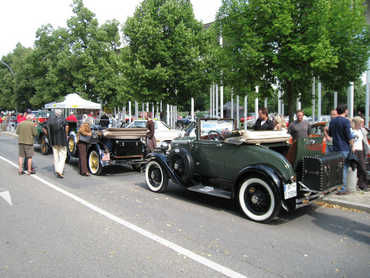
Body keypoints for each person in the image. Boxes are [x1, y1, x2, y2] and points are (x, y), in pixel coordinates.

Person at [328, 104, 354, 194]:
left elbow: (330, 134)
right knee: (344, 168)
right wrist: (352, 146)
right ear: (345, 111)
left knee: (336, 169)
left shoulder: (333, 121)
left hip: (335, 147)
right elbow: (349, 135)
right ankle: (342, 189)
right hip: (344, 148)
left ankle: (335, 187)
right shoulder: (346, 121)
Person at [45, 109, 69, 178]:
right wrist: (66, 136)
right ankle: (60, 170)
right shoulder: (63, 119)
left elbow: (46, 128)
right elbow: (67, 128)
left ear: (55, 114)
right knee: (63, 155)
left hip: (53, 141)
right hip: (62, 140)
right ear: (60, 113)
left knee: (56, 156)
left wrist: (49, 138)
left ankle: (57, 169)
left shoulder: (51, 120)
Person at [352, 117, 369, 191]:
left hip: (361, 150)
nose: (362, 124)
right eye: (361, 123)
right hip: (354, 150)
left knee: (362, 168)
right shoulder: (351, 130)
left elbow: (364, 140)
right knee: (353, 168)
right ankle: (354, 184)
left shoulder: (362, 130)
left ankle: (362, 184)